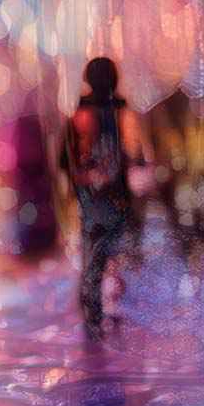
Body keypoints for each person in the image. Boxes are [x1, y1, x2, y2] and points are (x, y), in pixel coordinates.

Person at [61, 57, 141, 338]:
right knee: (120, 256)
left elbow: (65, 160)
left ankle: (93, 318)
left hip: (91, 201)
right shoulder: (123, 111)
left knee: (93, 260)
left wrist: (79, 187)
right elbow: (136, 156)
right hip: (118, 199)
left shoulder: (79, 112)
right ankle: (116, 310)